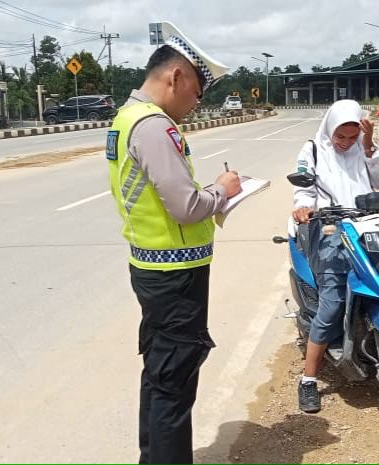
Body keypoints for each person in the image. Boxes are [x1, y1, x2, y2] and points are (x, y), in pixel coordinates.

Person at [106, 21, 241, 464]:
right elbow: (185, 207)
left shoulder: (126, 118)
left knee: (161, 378)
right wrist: (223, 189)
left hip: (154, 268)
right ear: (176, 77)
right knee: (174, 387)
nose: (197, 103)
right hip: (174, 277)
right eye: (198, 92)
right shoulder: (152, 125)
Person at [291, 99, 379, 413]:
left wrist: (369, 144)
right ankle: (308, 380)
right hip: (329, 231)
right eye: (341, 137)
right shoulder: (313, 150)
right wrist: (304, 207)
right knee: (333, 303)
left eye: (351, 136)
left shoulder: (364, 148)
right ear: (330, 128)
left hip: (367, 229)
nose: (346, 143)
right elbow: (303, 188)